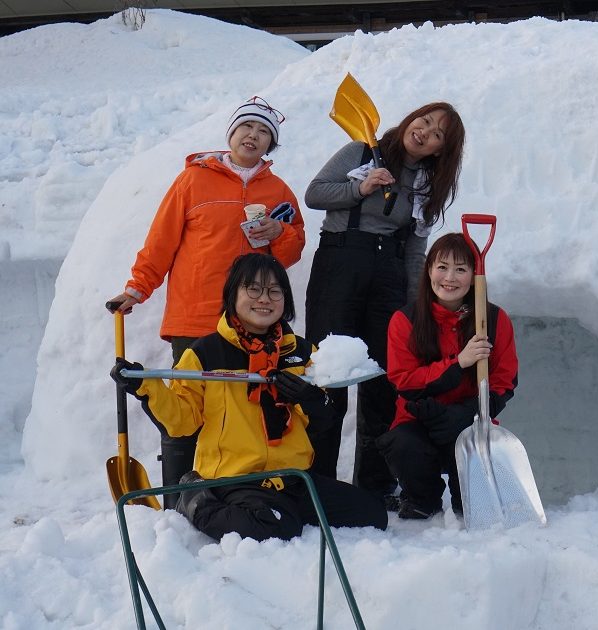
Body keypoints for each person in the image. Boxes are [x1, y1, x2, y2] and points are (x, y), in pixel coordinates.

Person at [107, 97, 306, 508]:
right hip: (196, 316)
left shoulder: (279, 191)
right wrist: (137, 288)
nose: (253, 136)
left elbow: (290, 252)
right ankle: (181, 497)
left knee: (244, 411)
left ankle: (237, 491)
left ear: (271, 144)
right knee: (184, 408)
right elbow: (161, 241)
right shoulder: (192, 181)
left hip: (252, 323)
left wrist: (276, 233)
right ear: (230, 134)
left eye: (263, 132)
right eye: (246, 128)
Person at [111, 253, 388, 541]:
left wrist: (310, 398)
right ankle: (196, 502)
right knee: (277, 527)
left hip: (292, 478)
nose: (264, 299)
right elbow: (182, 422)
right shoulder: (204, 354)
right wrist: (146, 387)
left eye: (274, 291)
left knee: (372, 514)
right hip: (234, 479)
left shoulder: (302, 353)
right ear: (233, 294)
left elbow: (323, 420)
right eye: (253, 289)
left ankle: (280, 511)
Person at [303, 102, 465, 506]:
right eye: (424, 120)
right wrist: (361, 187)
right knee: (329, 376)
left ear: (441, 151)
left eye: (438, 133)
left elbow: (415, 250)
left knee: (382, 381)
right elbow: (314, 194)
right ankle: (317, 482)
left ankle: (374, 487)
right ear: (411, 119)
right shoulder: (361, 152)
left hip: (390, 274)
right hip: (341, 263)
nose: (425, 131)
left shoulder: (426, 184)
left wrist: (415, 307)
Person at [378, 233, 518, 519]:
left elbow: (505, 379)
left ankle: (467, 498)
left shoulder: (494, 319)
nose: (449, 278)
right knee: (403, 444)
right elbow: (403, 378)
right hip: (419, 420)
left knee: (471, 498)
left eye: (461, 269)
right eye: (442, 267)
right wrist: (459, 364)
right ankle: (421, 499)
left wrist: (470, 413)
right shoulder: (406, 320)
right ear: (429, 269)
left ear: (474, 276)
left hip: (470, 422)